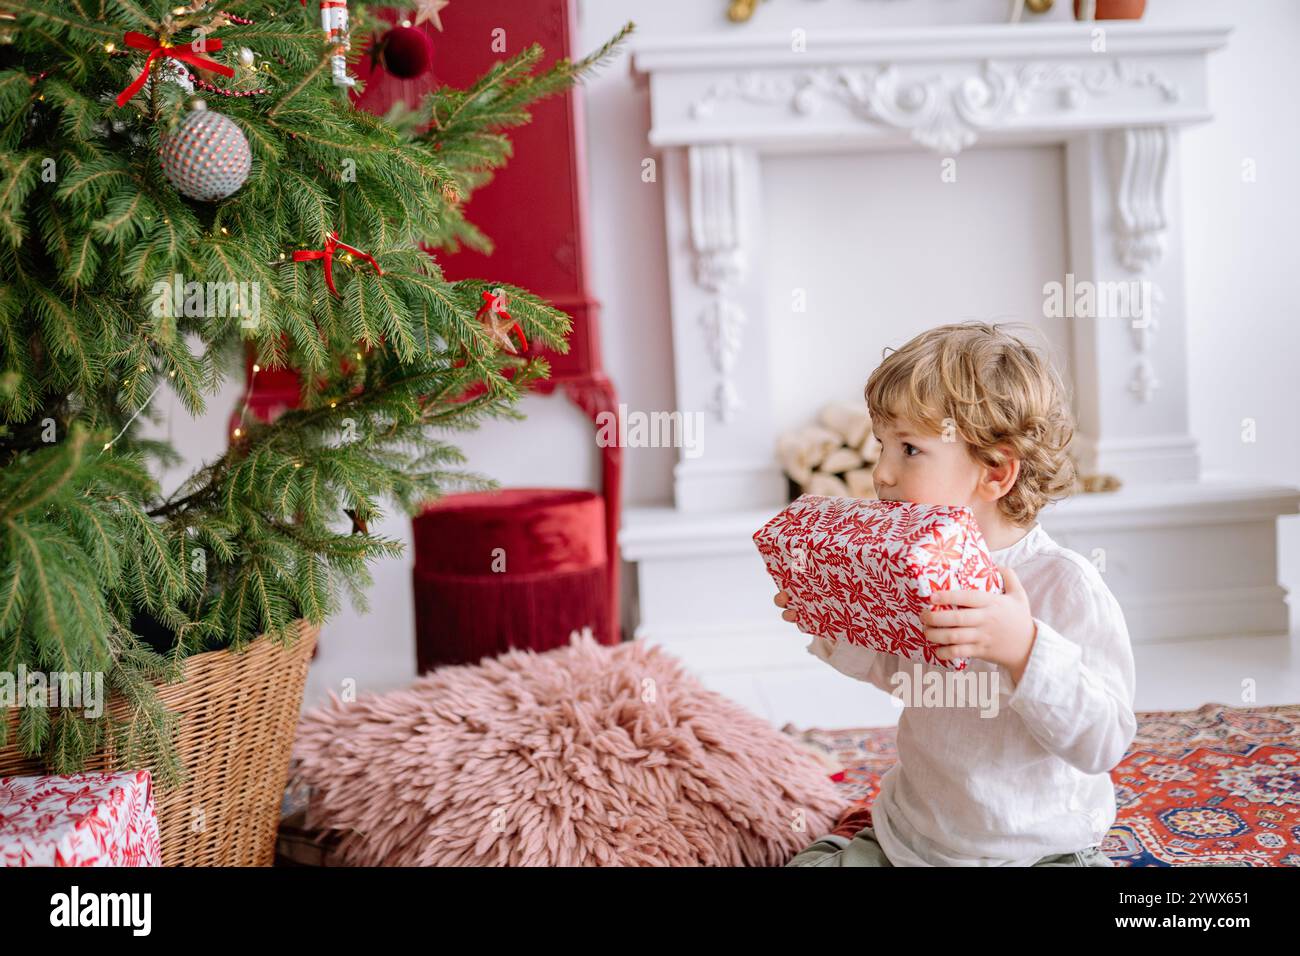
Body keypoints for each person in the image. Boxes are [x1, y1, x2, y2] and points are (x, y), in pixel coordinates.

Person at [782, 322, 1134, 867]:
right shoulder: (908, 565)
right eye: (881, 445)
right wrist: (833, 614)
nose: (881, 473)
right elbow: (894, 673)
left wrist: (1024, 649)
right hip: (916, 837)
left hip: (1040, 851)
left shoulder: (1064, 584)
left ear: (995, 472)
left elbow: (1104, 741)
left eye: (909, 450)